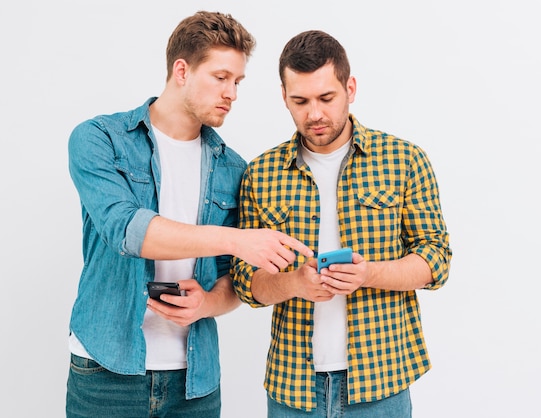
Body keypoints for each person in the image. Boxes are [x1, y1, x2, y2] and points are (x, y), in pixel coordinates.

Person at [65, 11, 313, 418]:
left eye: (238, 81)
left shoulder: (234, 169)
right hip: (105, 371)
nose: (232, 92)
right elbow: (126, 229)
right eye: (221, 77)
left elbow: (232, 279)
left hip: (194, 382)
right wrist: (238, 239)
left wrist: (208, 304)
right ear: (181, 70)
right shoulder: (99, 139)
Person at [231, 30, 452, 417]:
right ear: (284, 97)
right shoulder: (260, 175)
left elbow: (436, 261)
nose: (314, 113)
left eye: (326, 98)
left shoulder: (404, 160)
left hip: (381, 383)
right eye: (300, 101)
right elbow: (246, 283)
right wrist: (294, 283)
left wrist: (368, 274)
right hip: (293, 389)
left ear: (350, 88)